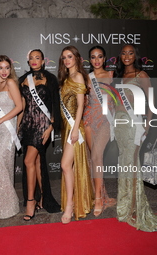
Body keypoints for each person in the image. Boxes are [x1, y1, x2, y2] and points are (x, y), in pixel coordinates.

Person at [114, 44, 157, 231]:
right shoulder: (119, 75)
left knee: (132, 162)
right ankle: (124, 203)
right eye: (123, 53)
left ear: (135, 55)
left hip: (134, 124)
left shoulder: (142, 76)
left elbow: (152, 100)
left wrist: (147, 123)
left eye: (130, 53)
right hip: (119, 124)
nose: (127, 56)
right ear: (120, 56)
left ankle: (133, 207)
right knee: (124, 162)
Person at [17, 49, 61, 221]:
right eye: (31, 58)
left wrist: (51, 127)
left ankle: (30, 202)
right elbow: (22, 106)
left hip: (42, 127)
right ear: (28, 62)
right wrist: (17, 126)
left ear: (43, 60)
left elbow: (54, 105)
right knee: (35, 162)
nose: (34, 60)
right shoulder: (22, 81)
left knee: (28, 161)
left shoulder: (50, 79)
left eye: (37, 58)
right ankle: (43, 198)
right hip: (27, 127)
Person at [59, 45, 93, 223]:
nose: (66, 60)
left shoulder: (78, 76)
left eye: (70, 56)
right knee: (69, 167)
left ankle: (70, 205)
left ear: (77, 59)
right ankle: (72, 202)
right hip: (67, 127)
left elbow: (81, 105)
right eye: (64, 57)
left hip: (75, 128)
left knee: (65, 165)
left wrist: (74, 128)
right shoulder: (66, 78)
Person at [0, 55, 23, 219]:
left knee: (0, 165)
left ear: (10, 69)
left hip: (7, 130)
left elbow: (20, 106)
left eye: (7, 67)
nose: (4, 71)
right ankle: (1, 207)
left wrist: (0, 119)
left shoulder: (11, 83)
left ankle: (9, 206)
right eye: (1, 68)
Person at [83, 46, 116, 217]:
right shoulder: (87, 78)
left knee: (97, 156)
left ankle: (98, 199)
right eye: (93, 57)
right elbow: (86, 100)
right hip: (89, 120)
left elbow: (115, 99)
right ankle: (103, 195)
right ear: (90, 60)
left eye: (100, 56)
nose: (96, 60)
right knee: (93, 158)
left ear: (104, 59)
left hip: (105, 121)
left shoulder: (111, 75)